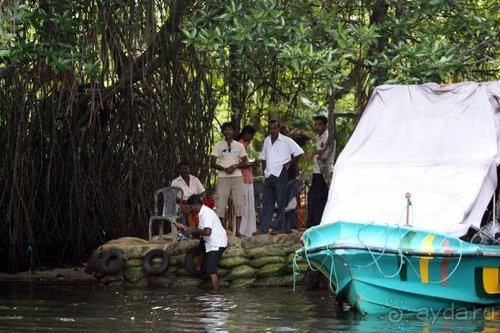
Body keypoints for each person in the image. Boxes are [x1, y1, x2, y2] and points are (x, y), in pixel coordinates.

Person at [253, 120, 304, 235]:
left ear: (278, 128)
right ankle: (263, 228)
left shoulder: (286, 140)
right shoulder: (267, 140)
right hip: (269, 174)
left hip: (280, 173)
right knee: (267, 201)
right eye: (271, 128)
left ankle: (278, 227)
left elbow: (299, 152)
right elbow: (263, 158)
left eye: (275, 128)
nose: (273, 130)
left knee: (280, 201)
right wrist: (264, 172)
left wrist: (290, 162)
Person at [175, 194, 227, 290]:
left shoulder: (206, 214)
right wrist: (183, 227)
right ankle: (199, 266)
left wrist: (193, 230)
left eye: (191, 207)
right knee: (201, 245)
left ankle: (216, 292)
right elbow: (196, 231)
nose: (191, 209)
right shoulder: (201, 213)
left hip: (216, 243)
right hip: (209, 239)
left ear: (195, 205)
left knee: (211, 270)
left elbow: (207, 232)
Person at [210, 122, 249, 238]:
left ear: (233, 132)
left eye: (230, 129)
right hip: (223, 177)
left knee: (239, 203)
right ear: (223, 132)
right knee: (221, 203)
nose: (228, 132)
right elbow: (212, 163)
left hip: (237, 176)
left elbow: (246, 162)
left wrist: (235, 166)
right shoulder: (218, 145)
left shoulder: (239, 146)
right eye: (226, 130)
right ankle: (220, 230)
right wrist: (223, 168)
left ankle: (238, 232)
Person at [307, 115, 331, 228]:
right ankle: (312, 224)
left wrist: (314, 152)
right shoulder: (318, 137)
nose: (317, 127)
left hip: (324, 173)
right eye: (315, 124)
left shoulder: (329, 138)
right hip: (316, 172)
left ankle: (319, 224)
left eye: (320, 124)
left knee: (320, 199)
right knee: (312, 198)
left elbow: (326, 153)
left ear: (325, 125)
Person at [235, 125, 258, 237]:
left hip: (248, 178)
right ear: (246, 133)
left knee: (249, 205)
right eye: (251, 135)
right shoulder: (238, 145)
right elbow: (238, 163)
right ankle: (242, 230)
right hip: (241, 178)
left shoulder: (245, 144)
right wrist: (252, 163)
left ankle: (249, 230)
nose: (252, 137)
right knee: (243, 205)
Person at [170, 161, 206, 228]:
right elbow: (173, 197)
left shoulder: (195, 179)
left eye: (186, 168)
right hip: (182, 203)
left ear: (189, 169)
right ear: (179, 170)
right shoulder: (175, 182)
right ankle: (191, 230)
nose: (184, 170)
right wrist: (184, 201)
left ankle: (199, 228)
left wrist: (198, 200)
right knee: (188, 208)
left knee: (204, 206)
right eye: (182, 169)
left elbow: (203, 192)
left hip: (195, 202)